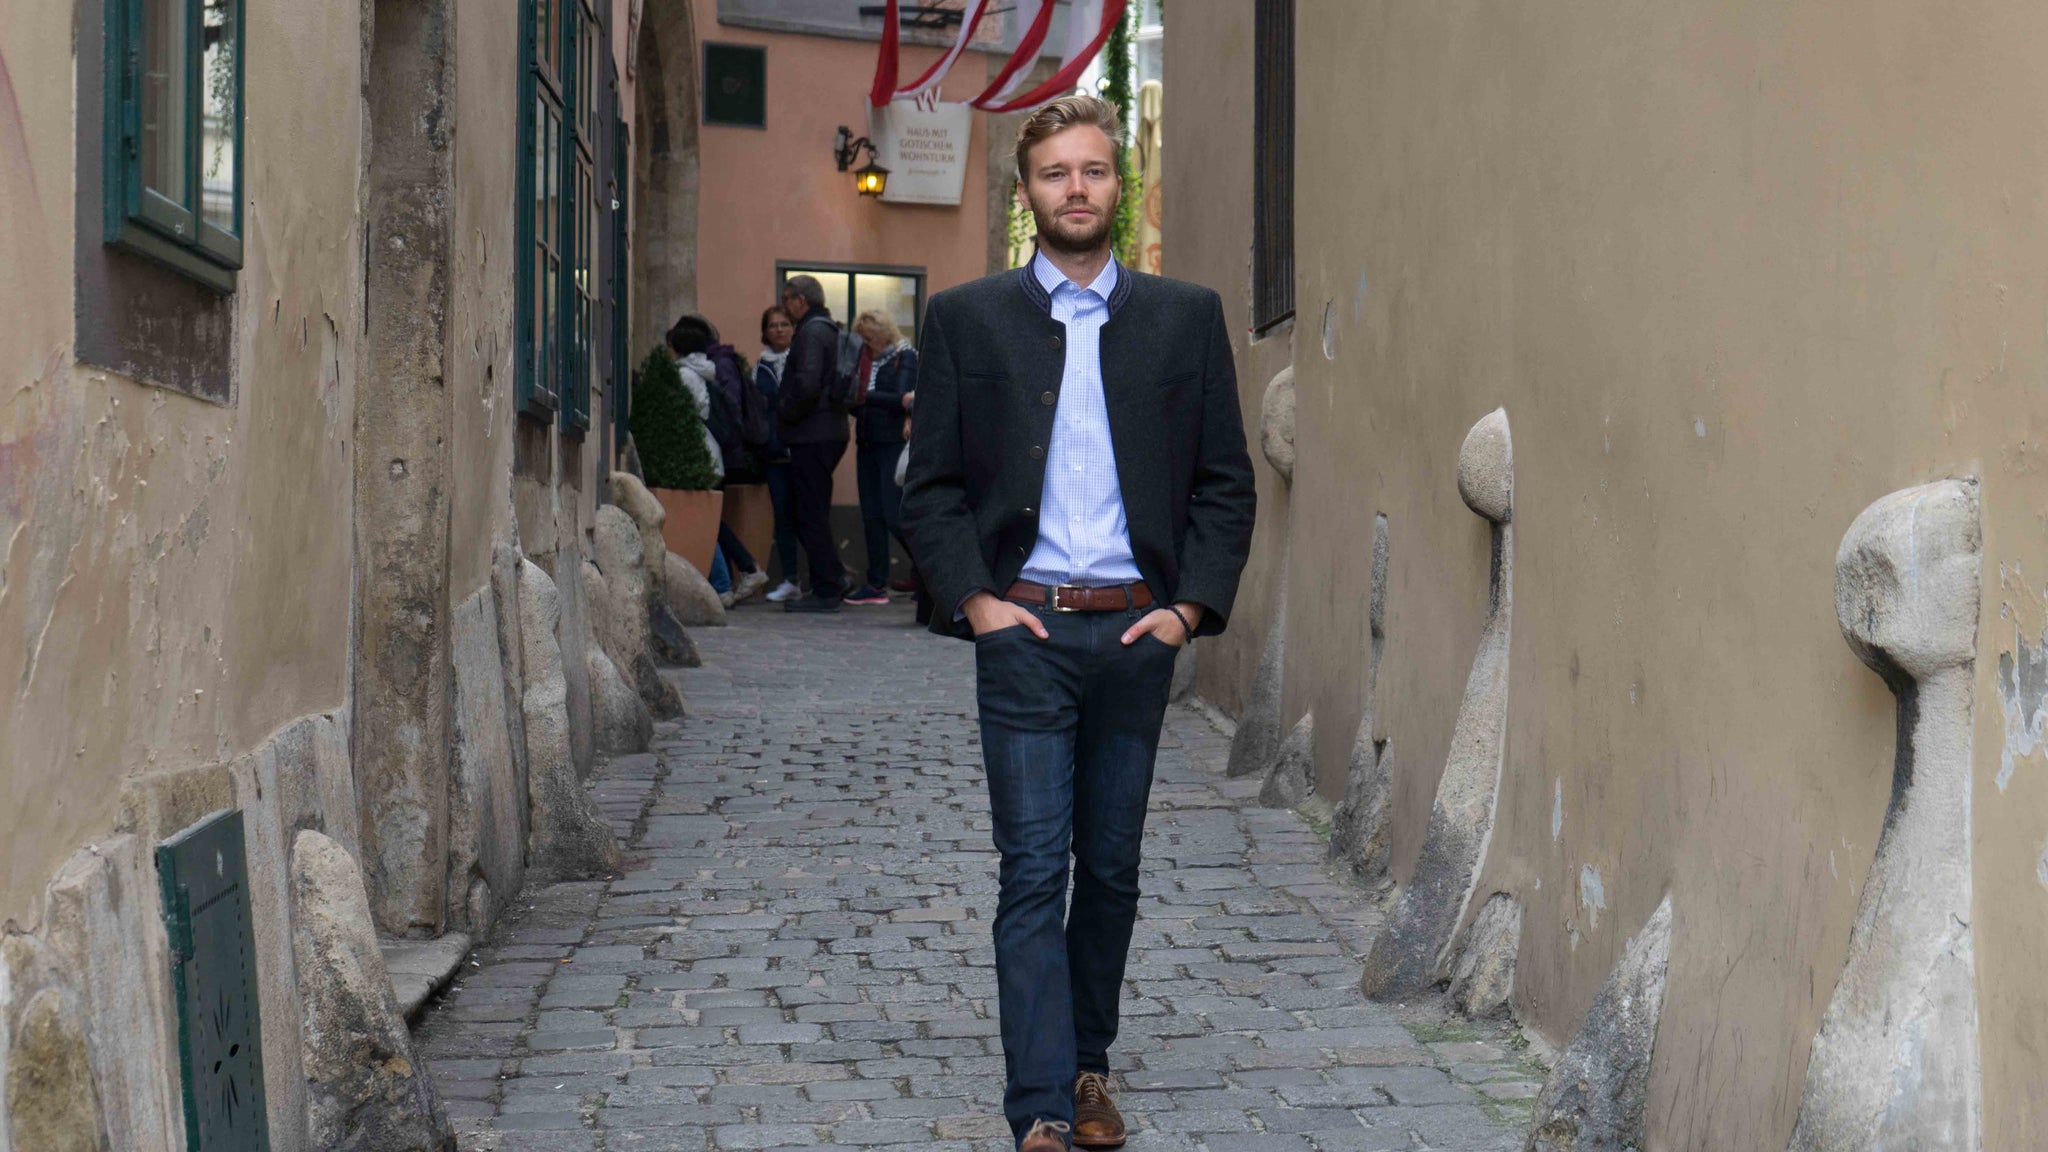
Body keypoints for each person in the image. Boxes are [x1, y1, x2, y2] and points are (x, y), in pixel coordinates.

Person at [900, 95, 1256, 1152]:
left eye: (1092, 170)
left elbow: (1223, 484)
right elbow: (931, 489)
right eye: (1054, 173)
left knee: (1109, 869)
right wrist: (980, 606)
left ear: (1117, 185)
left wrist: (1185, 610)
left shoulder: (1184, 317)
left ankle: (1088, 1065)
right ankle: (1042, 1107)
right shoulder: (967, 319)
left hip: (1135, 635)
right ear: (1027, 193)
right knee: (1031, 868)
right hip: (1028, 636)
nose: (1074, 189)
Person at [669, 315, 770, 605]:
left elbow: (691, 412)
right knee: (711, 519)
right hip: (713, 453)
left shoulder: (684, 374)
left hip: (699, 455)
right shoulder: (707, 370)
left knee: (704, 519)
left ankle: (727, 581)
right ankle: (739, 573)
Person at [775, 275, 851, 613]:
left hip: (812, 434)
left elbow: (806, 384)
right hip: (827, 431)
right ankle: (832, 578)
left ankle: (827, 588)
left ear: (800, 300)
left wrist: (783, 414)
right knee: (809, 510)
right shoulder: (827, 328)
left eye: (786, 298)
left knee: (810, 513)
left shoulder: (810, 331)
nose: (784, 305)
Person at [844, 310, 917, 605]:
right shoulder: (863, 360)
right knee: (871, 516)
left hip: (891, 442)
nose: (868, 343)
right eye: (864, 338)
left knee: (893, 514)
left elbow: (904, 398)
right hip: (867, 442)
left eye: (871, 337)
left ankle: (928, 570)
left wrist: (865, 396)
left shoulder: (905, 356)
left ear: (885, 333)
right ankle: (876, 584)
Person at [754, 305, 804, 602]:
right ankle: (791, 579)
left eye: (784, 324)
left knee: (808, 516)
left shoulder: (799, 358)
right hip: (774, 452)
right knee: (783, 518)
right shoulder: (761, 365)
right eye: (773, 325)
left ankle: (825, 577)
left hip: (801, 448)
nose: (779, 329)